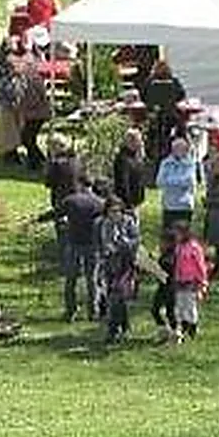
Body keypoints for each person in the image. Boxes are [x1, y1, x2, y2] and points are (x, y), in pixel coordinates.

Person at [58, 176, 105, 322]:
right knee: (92, 279)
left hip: (74, 242)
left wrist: (38, 219)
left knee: (71, 279)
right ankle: (93, 311)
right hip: (92, 244)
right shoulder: (99, 202)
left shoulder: (70, 200)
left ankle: (71, 311)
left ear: (79, 184)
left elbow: (57, 213)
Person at [99, 196, 141, 343]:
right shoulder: (105, 224)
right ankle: (121, 328)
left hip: (126, 265)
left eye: (118, 211)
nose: (115, 214)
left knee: (119, 297)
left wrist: (123, 241)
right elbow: (105, 244)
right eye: (112, 211)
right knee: (114, 298)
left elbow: (136, 241)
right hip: (111, 265)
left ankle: (115, 329)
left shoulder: (128, 222)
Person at [142, 61, 187, 162]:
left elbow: (143, 97)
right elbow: (181, 96)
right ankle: (180, 146)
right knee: (180, 124)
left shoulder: (150, 82)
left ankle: (152, 151)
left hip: (156, 115)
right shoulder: (173, 81)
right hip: (169, 115)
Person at [171, 222, 209, 340]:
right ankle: (182, 326)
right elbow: (178, 264)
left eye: (178, 234)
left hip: (191, 280)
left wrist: (203, 281)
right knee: (180, 304)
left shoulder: (194, 247)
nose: (176, 236)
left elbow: (200, 264)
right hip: (180, 280)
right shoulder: (179, 247)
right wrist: (176, 277)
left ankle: (192, 325)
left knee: (190, 304)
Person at [156, 137, 199, 227]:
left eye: (182, 149)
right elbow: (159, 182)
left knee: (183, 233)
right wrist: (179, 181)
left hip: (184, 205)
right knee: (169, 233)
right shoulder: (165, 163)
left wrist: (170, 181)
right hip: (169, 205)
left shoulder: (190, 164)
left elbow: (190, 181)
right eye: (176, 148)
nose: (179, 151)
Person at [111, 128, 148, 217]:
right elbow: (123, 181)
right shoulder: (122, 159)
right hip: (126, 201)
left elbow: (141, 176)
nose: (141, 143)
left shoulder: (137, 156)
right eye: (139, 140)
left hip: (136, 198)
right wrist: (128, 202)